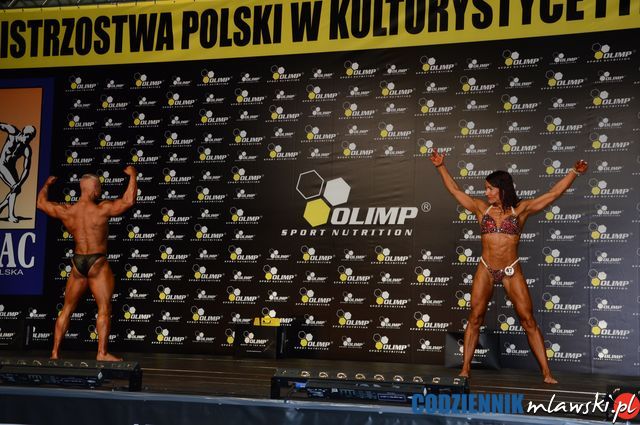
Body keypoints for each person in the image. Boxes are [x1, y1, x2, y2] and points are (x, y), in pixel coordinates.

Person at [429, 148, 588, 384]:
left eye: (490, 188)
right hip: (486, 268)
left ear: (502, 189)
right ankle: (465, 369)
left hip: (511, 270)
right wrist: (441, 166)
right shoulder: (481, 208)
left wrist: (574, 172)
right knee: (475, 318)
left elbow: (553, 194)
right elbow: (455, 190)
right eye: (486, 188)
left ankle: (547, 373)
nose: (486, 192)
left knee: (528, 321)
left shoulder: (521, 210)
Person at [37, 166, 138, 361]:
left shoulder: (68, 211)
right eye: (99, 187)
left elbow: (41, 203)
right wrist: (133, 176)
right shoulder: (101, 209)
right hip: (97, 263)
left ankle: (55, 353)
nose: (100, 190)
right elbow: (128, 201)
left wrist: (47, 185)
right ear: (94, 189)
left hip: (78, 263)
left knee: (67, 308)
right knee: (104, 308)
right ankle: (101, 353)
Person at [0, 122, 36, 223]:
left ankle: (1, 206)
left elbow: (26, 169)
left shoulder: (27, 149)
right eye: (28, 137)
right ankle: (11, 215)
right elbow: (1, 126)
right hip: (2, 165)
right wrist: (16, 184)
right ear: (24, 133)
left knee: (17, 189)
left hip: (11, 168)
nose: (29, 140)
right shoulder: (12, 131)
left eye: (31, 139)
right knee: (14, 187)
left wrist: (19, 183)